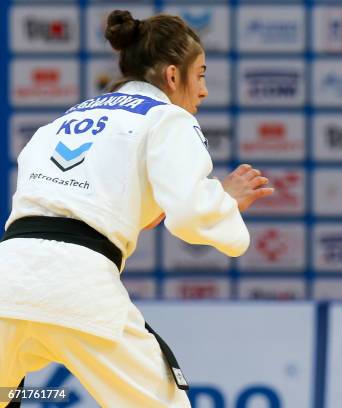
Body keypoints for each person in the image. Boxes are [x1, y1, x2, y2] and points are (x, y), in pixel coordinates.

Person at [0, 10, 273, 408]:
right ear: (172, 76)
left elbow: (66, 207)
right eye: (200, 75)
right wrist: (226, 200)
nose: (204, 91)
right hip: (79, 289)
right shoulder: (166, 118)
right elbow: (192, 215)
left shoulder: (59, 124)